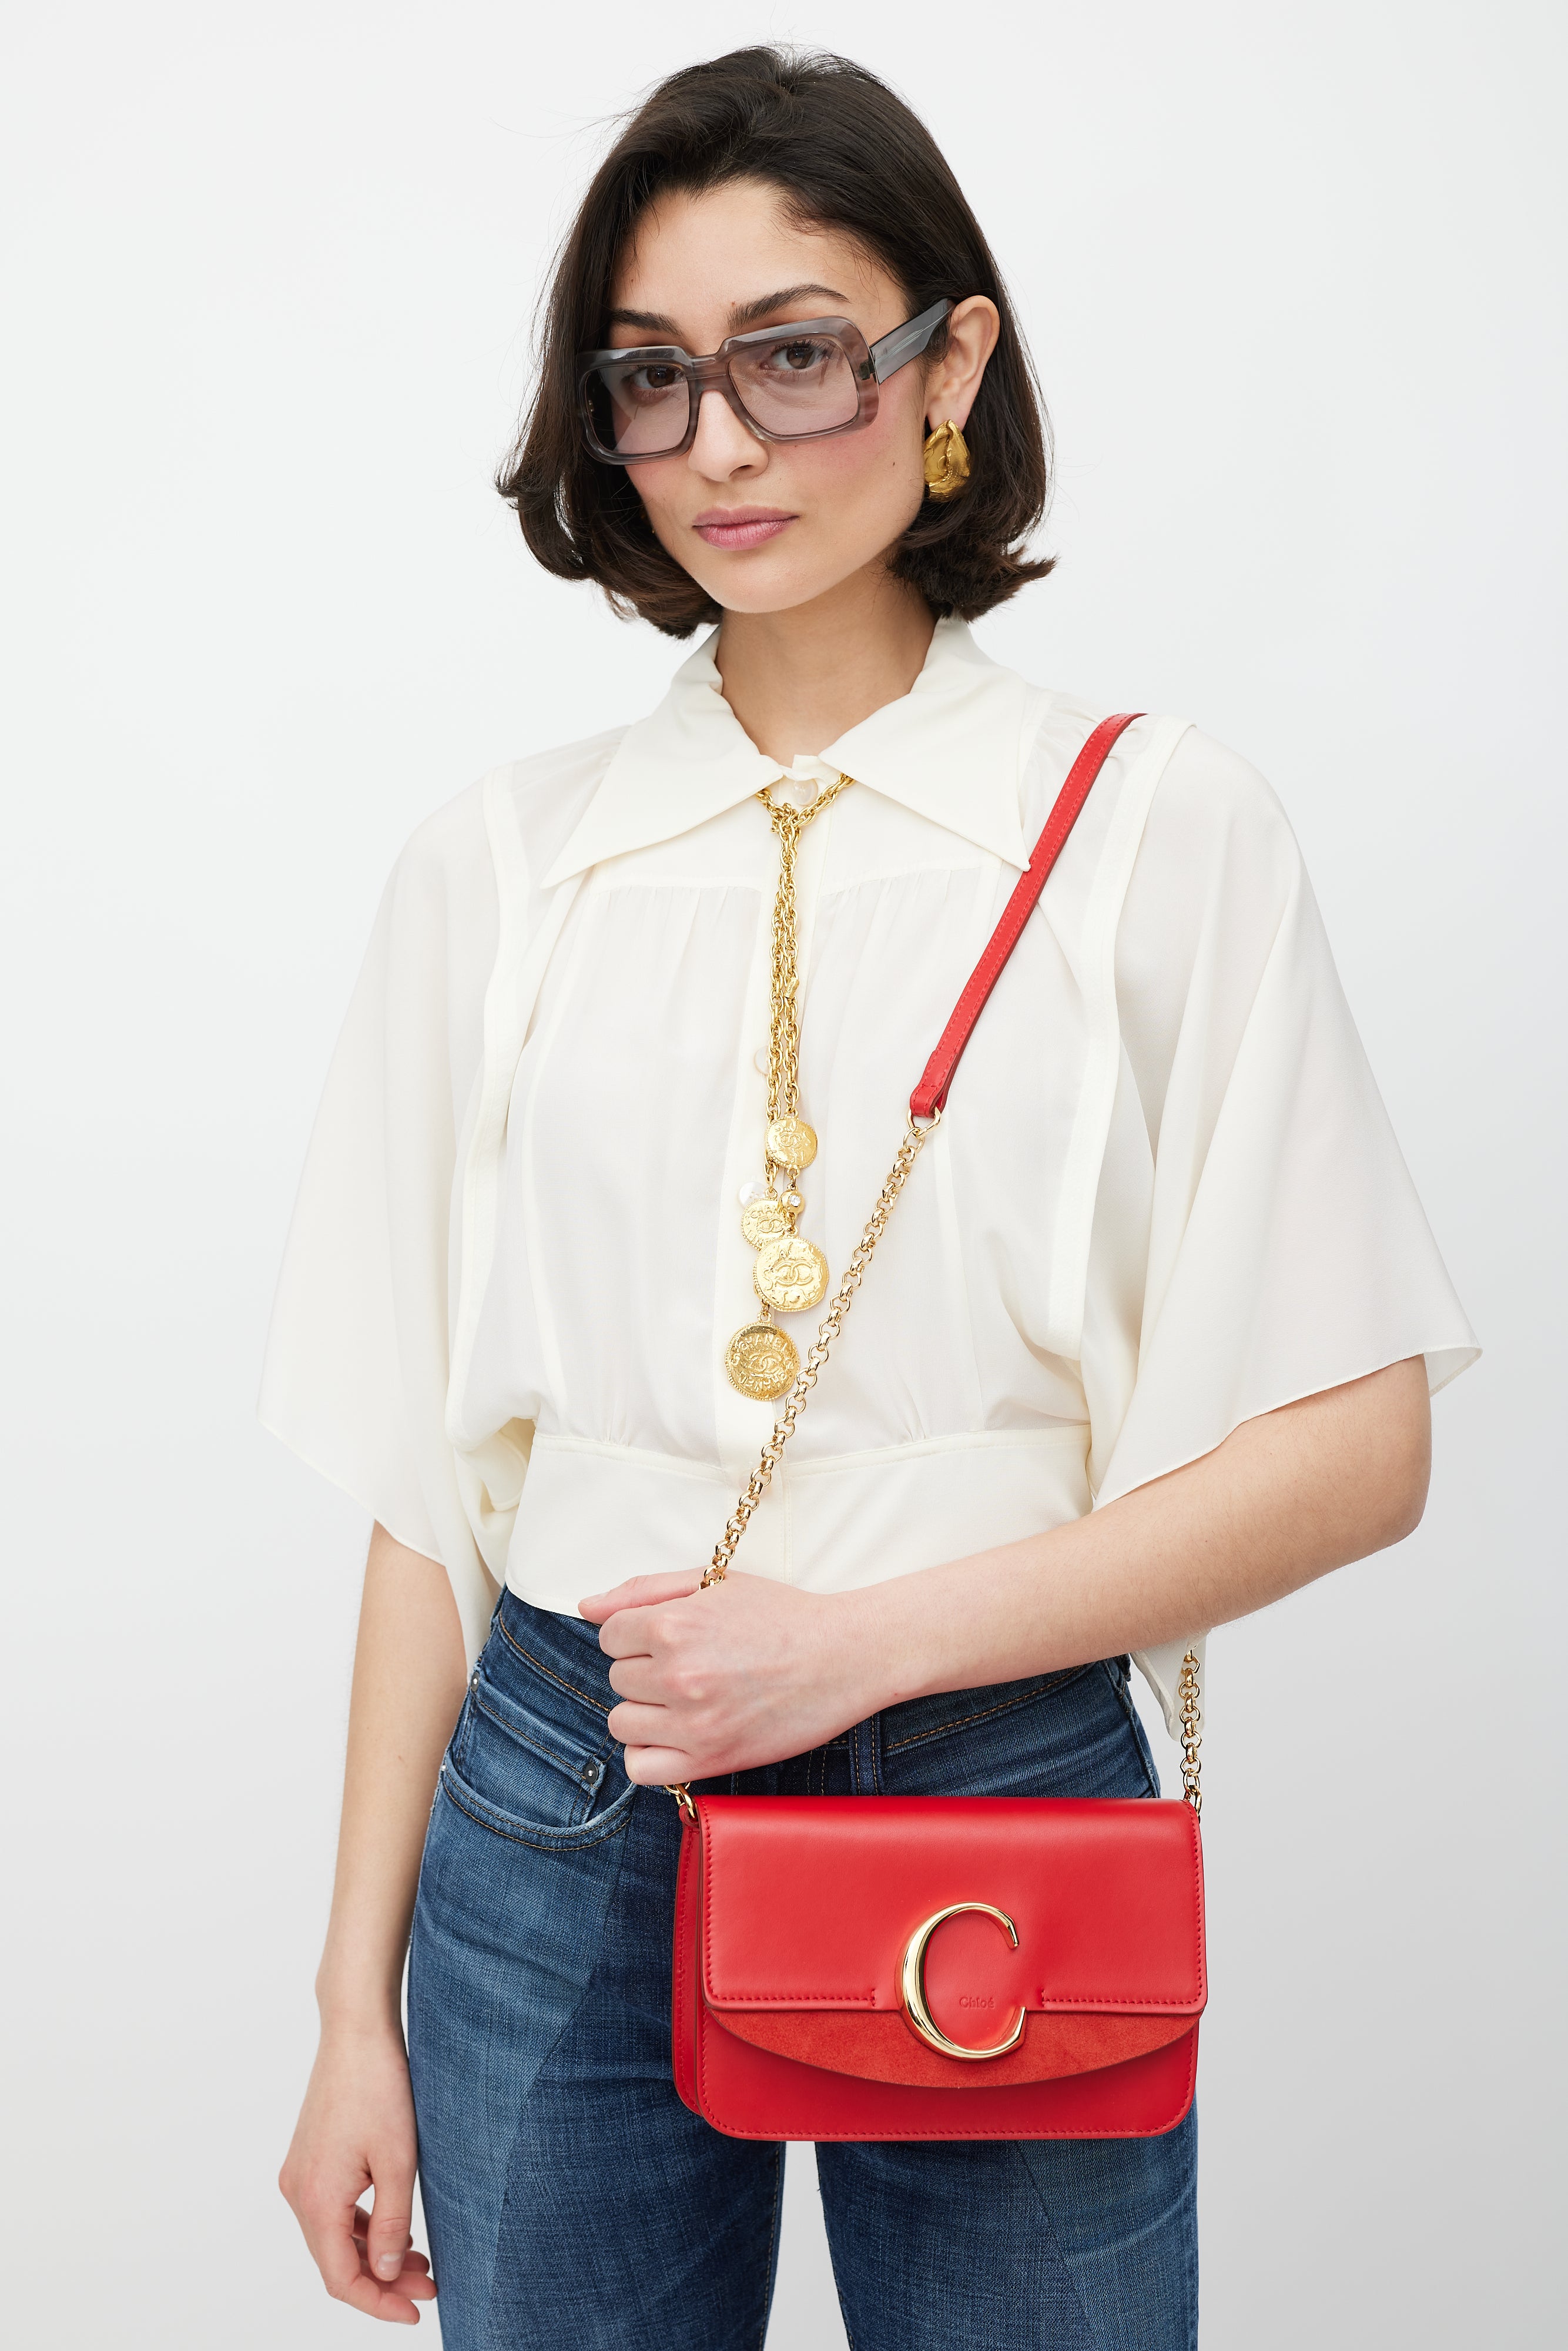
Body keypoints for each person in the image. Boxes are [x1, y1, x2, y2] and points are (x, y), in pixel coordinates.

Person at [263, 44, 1478, 2351]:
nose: (719, 443)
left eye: (794, 354)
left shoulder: (1150, 827)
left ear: (952, 363)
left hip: (994, 1756)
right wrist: (347, 2011)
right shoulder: (498, 868)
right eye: (651, 377)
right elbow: (433, 1495)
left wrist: (866, 1649)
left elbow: (1357, 1444)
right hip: (563, 1788)